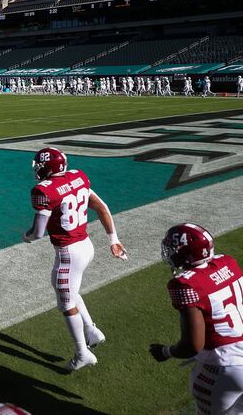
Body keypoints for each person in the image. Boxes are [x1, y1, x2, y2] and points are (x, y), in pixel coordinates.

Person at [23, 147, 128, 371]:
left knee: (65, 303)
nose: (37, 170)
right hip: (85, 246)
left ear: (47, 167)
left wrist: (27, 236)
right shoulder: (78, 177)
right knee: (69, 290)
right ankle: (91, 330)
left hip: (68, 253)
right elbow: (101, 206)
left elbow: (38, 233)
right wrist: (114, 239)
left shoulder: (44, 190)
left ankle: (82, 353)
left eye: (40, 166)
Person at [149, 223, 243, 414]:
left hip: (224, 366)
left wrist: (166, 351)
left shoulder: (185, 284)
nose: (170, 252)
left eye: (173, 248)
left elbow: (192, 345)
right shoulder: (228, 262)